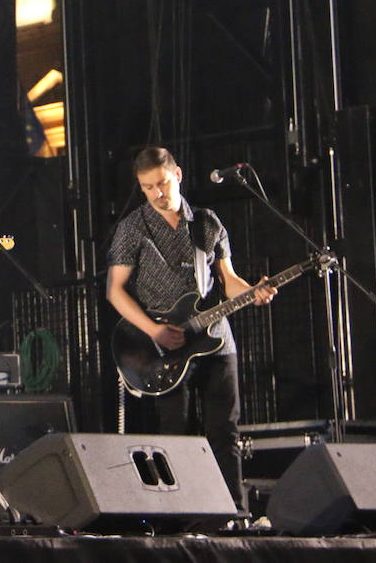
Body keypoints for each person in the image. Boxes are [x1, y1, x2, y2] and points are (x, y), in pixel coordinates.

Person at [105, 145, 275, 516]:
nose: (157, 193)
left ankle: (234, 514)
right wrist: (153, 331)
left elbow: (228, 280)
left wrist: (253, 292)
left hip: (216, 340)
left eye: (162, 183)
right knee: (176, 433)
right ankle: (180, 515)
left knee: (225, 431)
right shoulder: (132, 228)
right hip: (164, 345)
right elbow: (115, 291)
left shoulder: (207, 223)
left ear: (178, 175)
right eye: (147, 187)